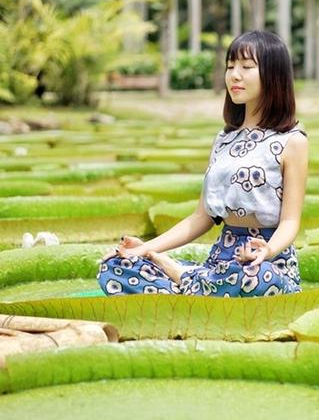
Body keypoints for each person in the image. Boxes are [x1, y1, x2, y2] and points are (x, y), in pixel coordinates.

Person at [97, 30, 308, 297]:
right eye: (230, 66)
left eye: (246, 67)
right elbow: (202, 217)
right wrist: (144, 249)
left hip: (264, 266)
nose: (234, 75)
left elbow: (290, 221)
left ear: (273, 75)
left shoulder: (293, 141)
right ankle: (191, 279)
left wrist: (267, 250)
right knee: (115, 267)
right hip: (220, 263)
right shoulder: (224, 138)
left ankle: (180, 276)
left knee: (251, 278)